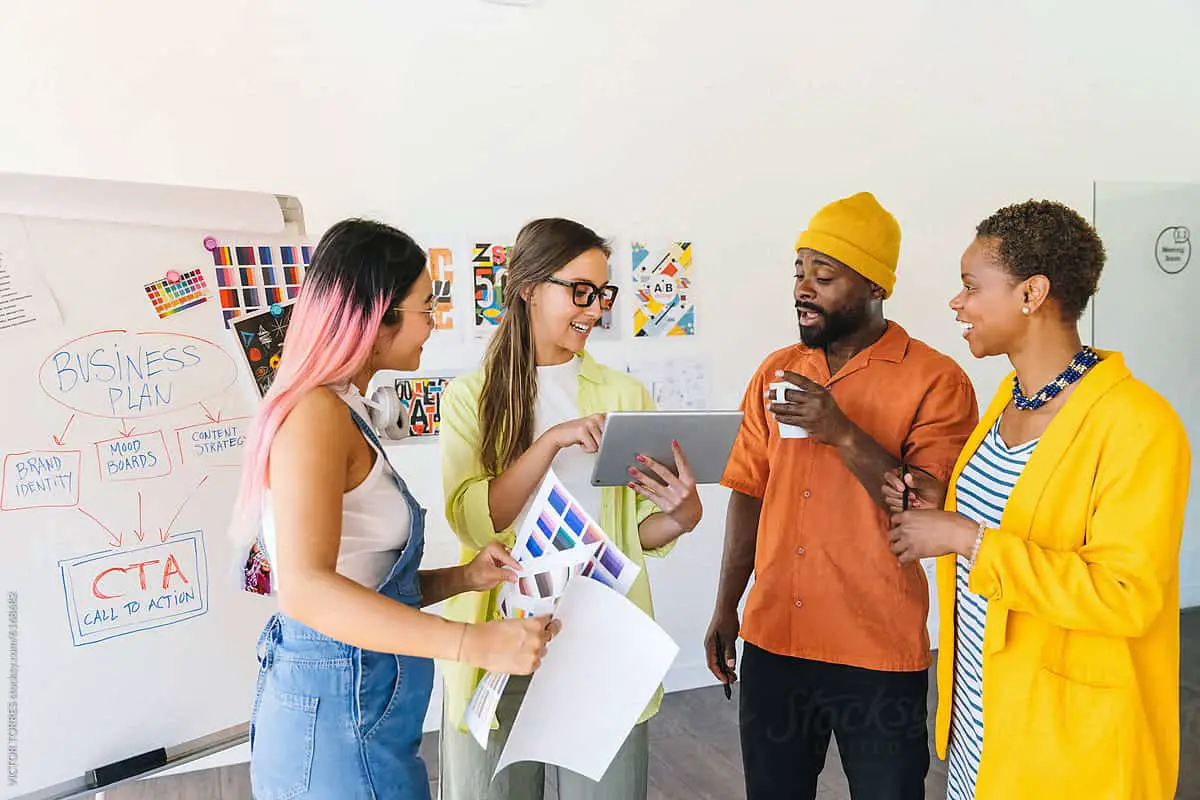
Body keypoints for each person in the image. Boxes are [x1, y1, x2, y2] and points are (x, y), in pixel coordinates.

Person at [235, 218, 559, 800]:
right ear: (375, 316)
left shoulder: (345, 410)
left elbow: (364, 580)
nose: (434, 325)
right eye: (425, 308)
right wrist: (471, 642)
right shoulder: (315, 416)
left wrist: (463, 578)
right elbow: (307, 591)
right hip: (337, 721)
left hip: (364, 712)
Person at [884, 200, 1191, 799]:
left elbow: (1125, 596)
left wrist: (963, 538)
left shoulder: (1139, 424)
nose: (957, 302)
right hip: (982, 720)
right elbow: (1021, 513)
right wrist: (943, 501)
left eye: (972, 287)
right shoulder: (1009, 398)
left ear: (1032, 293)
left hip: (1069, 745)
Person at [709, 191, 980, 800]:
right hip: (774, 640)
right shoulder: (775, 369)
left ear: (875, 288)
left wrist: (839, 430)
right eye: (799, 272)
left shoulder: (936, 380)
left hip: (877, 650)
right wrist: (727, 607)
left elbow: (925, 509)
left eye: (824, 276)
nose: (804, 288)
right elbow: (748, 494)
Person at [439, 217, 703, 799]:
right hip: (502, 638)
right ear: (530, 287)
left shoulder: (624, 396)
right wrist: (551, 441)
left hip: (601, 636)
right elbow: (473, 519)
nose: (595, 309)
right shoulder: (472, 396)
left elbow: (637, 532)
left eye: (603, 294)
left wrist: (681, 516)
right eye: (581, 291)